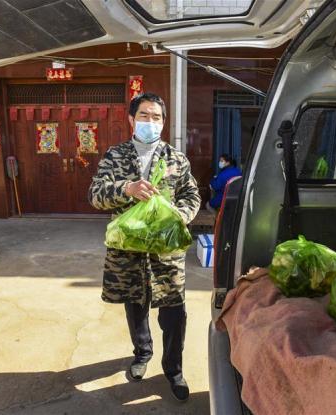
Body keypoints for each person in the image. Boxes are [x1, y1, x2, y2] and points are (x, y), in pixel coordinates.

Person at [88, 92, 201, 402]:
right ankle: (142, 354)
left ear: (163, 123)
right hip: (129, 253)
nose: (150, 122)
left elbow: (192, 197)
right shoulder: (116, 155)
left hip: (166, 254)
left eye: (156, 117)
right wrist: (126, 188)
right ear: (131, 119)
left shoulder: (176, 158)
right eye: (144, 116)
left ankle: (174, 369)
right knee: (135, 305)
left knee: (173, 311)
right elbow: (95, 194)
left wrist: (180, 215)